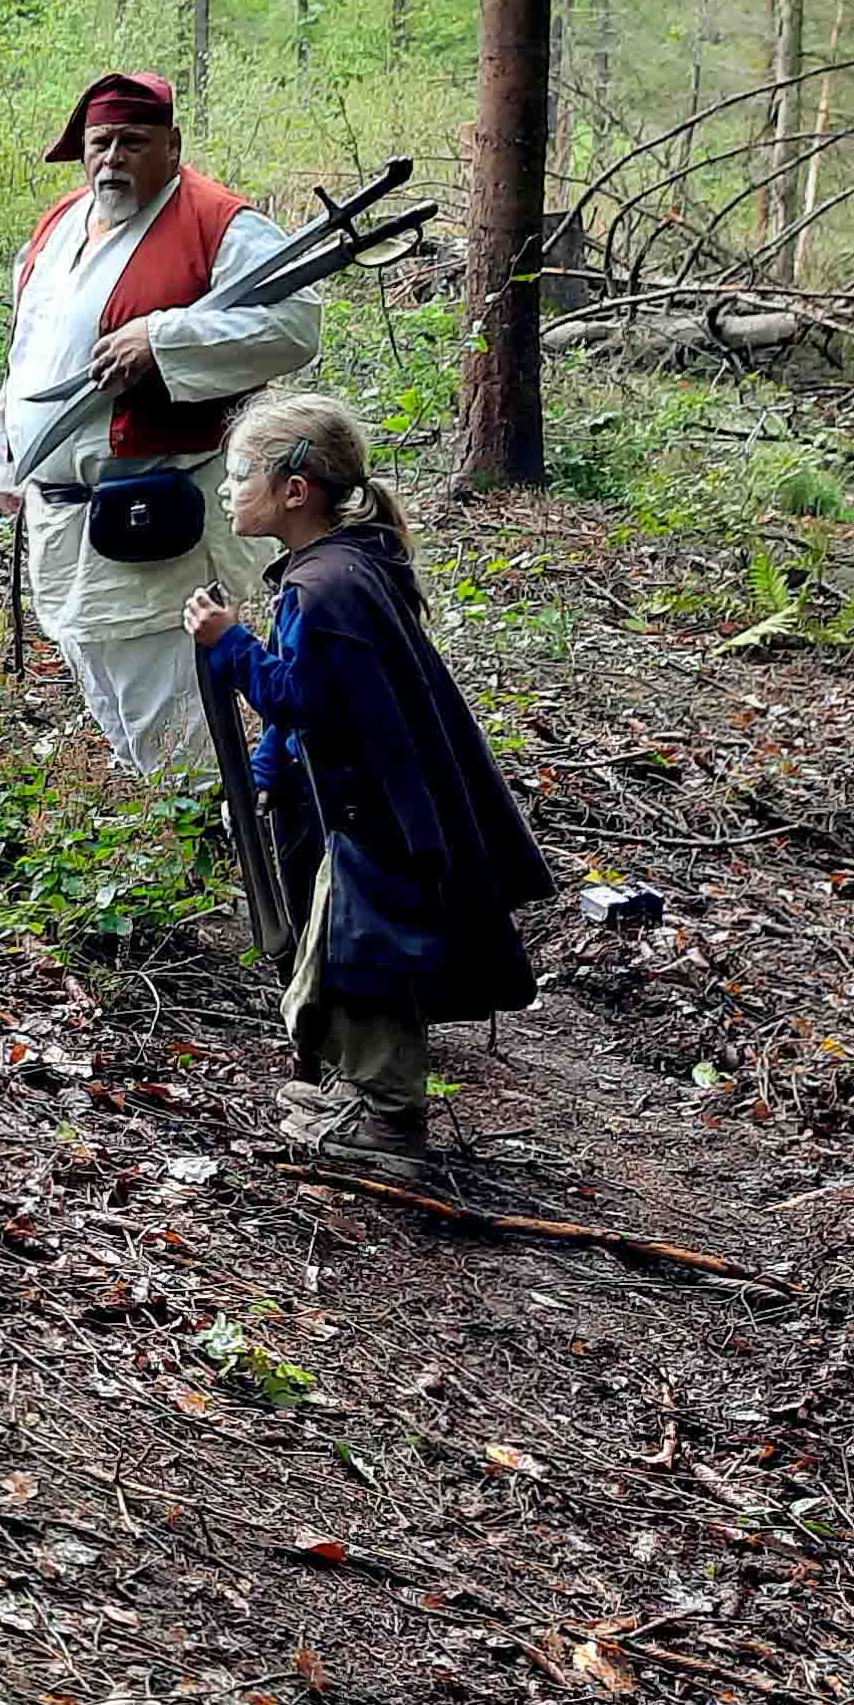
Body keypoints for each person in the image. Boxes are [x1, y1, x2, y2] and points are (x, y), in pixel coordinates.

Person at [187, 393, 554, 1163]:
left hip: (376, 815)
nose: (229, 490)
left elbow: (304, 700)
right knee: (342, 948)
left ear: (296, 490)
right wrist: (267, 768)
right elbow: (320, 696)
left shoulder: (325, 590)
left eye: (242, 473)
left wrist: (230, 645)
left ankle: (387, 1123)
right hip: (368, 803)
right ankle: (356, 1093)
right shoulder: (340, 566)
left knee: (361, 956)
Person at [0, 69, 320, 770]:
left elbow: (294, 326)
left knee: (170, 707)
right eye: (101, 142)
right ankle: (167, 817)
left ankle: (212, 822)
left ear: (172, 146)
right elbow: (28, 353)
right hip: (60, 516)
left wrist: (163, 341)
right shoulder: (58, 226)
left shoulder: (218, 223)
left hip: (150, 517)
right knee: (105, 680)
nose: (113, 157)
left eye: (133, 142)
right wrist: (9, 460)